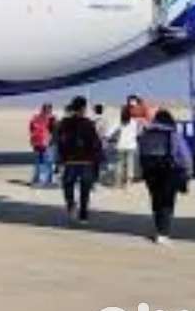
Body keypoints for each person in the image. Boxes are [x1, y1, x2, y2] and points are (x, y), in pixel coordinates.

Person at [138, 110, 193, 245]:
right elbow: (185, 156)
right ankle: (163, 233)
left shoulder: (145, 134)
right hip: (169, 172)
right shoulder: (173, 135)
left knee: (156, 199)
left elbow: (140, 153)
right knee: (167, 202)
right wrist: (188, 172)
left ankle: (158, 227)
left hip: (150, 172)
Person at [57, 96, 103, 224]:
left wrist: (61, 158)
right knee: (85, 189)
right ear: (83, 108)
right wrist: (97, 159)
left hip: (70, 160)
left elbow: (60, 141)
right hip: (86, 161)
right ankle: (83, 214)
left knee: (68, 185)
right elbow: (95, 143)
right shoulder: (88, 123)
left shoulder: (64, 123)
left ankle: (71, 206)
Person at [108, 106, 141, 189]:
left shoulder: (119, 122)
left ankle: (119, 182)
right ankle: (129, 182)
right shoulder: (134, 122)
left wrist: (109, 138)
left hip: (121, 145)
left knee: (119, 164)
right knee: (130, 164)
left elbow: (110, 132)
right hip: (131, 146)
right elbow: (138, 133)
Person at [28, 103, 55, 187]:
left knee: (39, 161)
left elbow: (31, 128)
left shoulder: (35, 118)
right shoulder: (51, 119)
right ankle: (44, 180)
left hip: (36, 142)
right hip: (46, 142)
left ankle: (37, 179)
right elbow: (54, 130)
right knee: (47, 162)